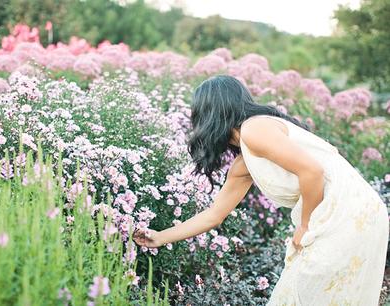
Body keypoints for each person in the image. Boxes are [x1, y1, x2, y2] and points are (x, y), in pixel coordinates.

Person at [132, 74, 389, 305]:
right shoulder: (244, 161)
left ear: (208, 114)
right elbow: (214, 215)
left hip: (348, 212)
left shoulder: (255, 129)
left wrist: (305, 225)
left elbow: (312, 172)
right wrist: (160, 237)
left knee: (308, 291)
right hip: (354, 211)